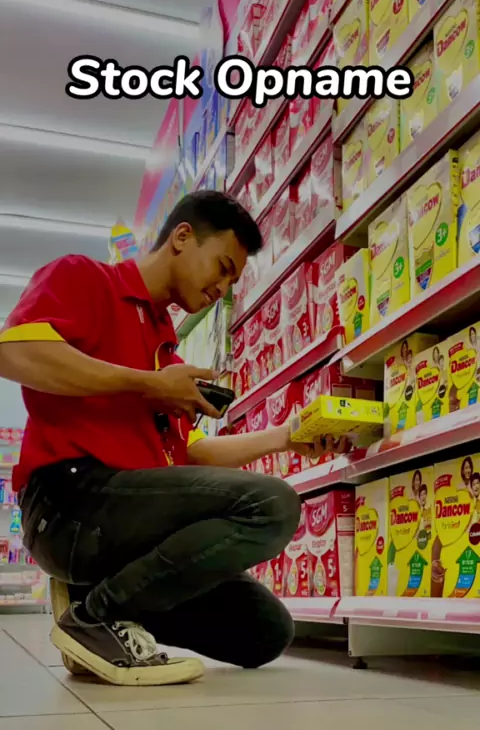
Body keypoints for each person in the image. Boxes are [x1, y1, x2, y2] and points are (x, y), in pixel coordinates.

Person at [0, 191, 317, 687]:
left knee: (266, 631)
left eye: (232, 282)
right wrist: (148, 385)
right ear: (182, 237)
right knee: (273, 505)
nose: (221, 288)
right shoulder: (86, 278)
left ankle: (94, 598)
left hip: (129, 517)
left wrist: (286, 438)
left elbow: (191, 453)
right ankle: (97, 618)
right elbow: (14, 354)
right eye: (222, 267)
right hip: (68, 503)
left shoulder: (166, 349)